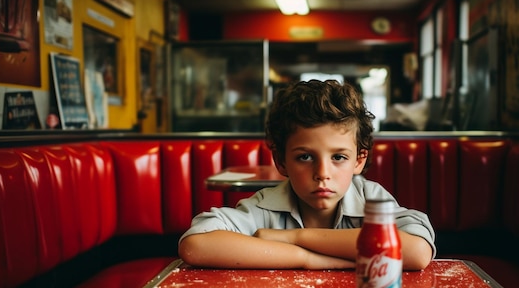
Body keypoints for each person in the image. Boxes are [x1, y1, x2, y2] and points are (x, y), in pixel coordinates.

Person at [178, 79, 435, 270]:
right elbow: (196, 244)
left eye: (338, 157)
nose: (322, 174)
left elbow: (417, 251)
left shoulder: (372, 199)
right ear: (281, 161)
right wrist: (309, 259)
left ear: (359, 160)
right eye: (305, 157)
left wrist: (294, 237)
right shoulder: (265, 206)